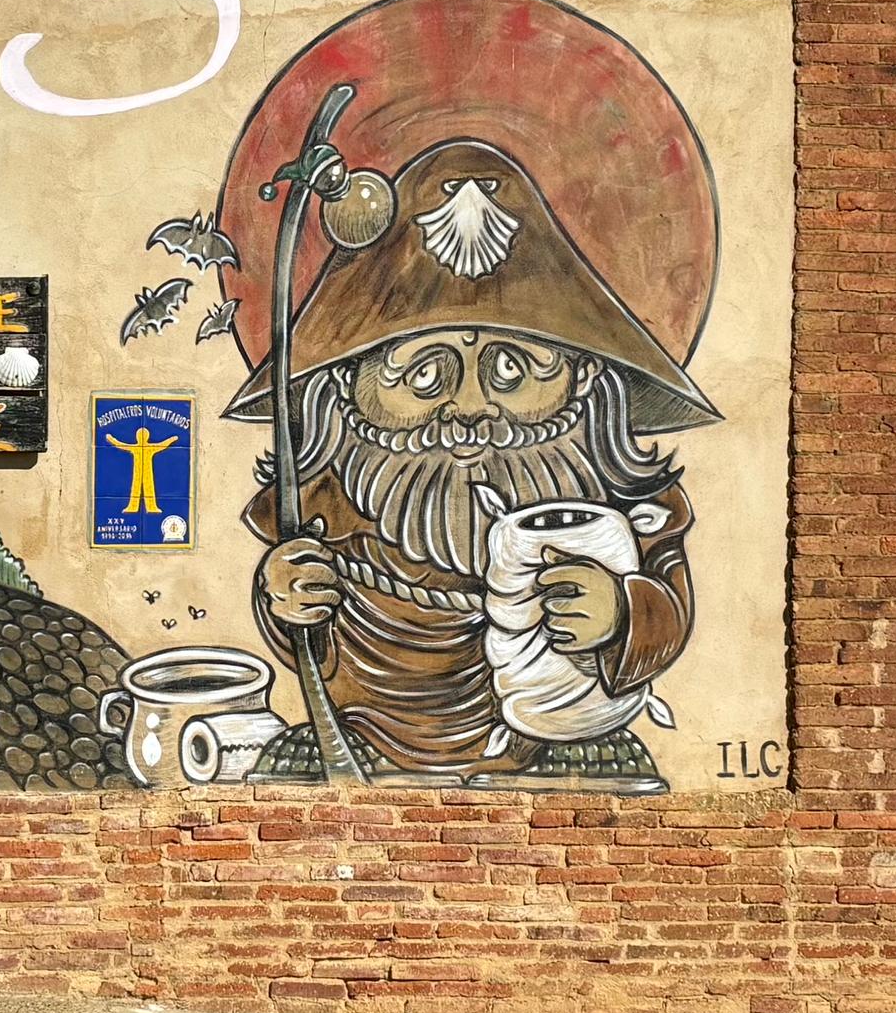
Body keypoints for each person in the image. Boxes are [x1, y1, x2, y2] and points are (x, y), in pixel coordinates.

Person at [231, 137, 714, 781]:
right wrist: (286, 597)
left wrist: (625, 613)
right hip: (362, 745)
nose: (469, 408)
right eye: (425, 374)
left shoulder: (625, 512)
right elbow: (312, 641)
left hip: (568, 749)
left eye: (511, 370)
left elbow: (667, 612)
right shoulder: (327, 508)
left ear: (585, 377)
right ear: (345, 386)